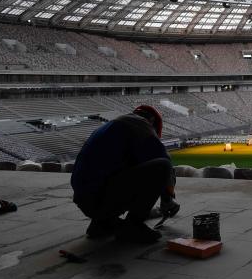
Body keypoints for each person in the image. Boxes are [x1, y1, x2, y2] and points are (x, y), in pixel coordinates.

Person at [71, 104, 178, 244]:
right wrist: (167, 200)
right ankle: (133, 226)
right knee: (162, 166)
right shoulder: (140, 125)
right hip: (101, 198)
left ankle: (102, 223)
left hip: (85, 201)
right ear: (151, 121)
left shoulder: (113, 126)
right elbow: (164, 163)